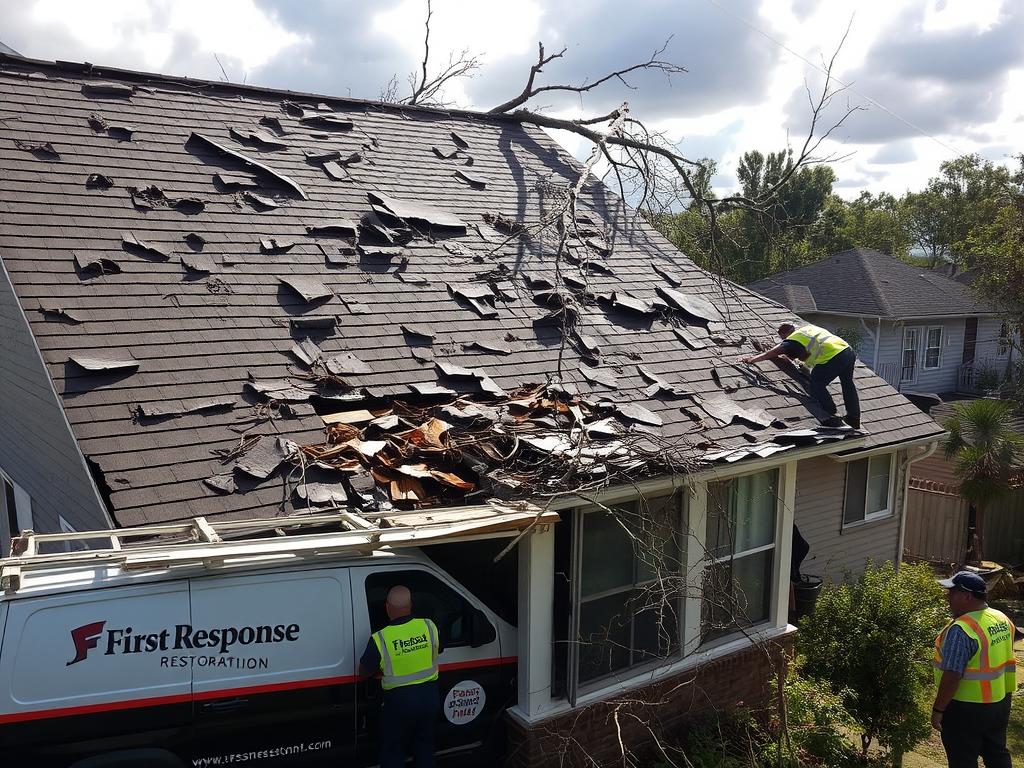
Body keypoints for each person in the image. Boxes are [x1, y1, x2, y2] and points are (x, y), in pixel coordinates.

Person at [932, 571, 1017, 768]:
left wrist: (938, 709)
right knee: (996, 753)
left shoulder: (961, 629)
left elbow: (953, 675)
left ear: (967, 597)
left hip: (965, 709)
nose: (947, 598)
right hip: (1000, 703)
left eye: (951, 593)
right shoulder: (1001, 618)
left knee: (963, 760)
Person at [359, 585, 441, 768]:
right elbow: (436, 650)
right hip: (429, 700)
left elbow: (363, 672)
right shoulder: (429, 626)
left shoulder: (380, 638)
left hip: (398, 706)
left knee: (392, 752)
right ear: (411, 605)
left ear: (387, 607)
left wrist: (381, 671)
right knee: (425, 748)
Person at [740, 322, 860, 429]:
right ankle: (853, 418)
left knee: (816, 383)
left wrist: (752, 359)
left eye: (783, 339)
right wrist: (794, 360)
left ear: (787, 335)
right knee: (847, 384)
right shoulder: (807, 330)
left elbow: (774, 352)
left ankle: (831, 412)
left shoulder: (792, 340)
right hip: (847, 351)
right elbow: (806, 353)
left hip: (833, 356)